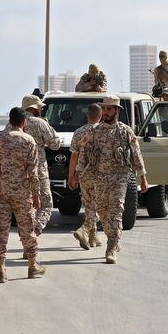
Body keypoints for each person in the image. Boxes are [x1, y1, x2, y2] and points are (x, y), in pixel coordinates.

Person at [0, 107, 45, 283]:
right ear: (24, 122)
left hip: (2, 189)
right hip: (21, 191)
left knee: (1, 229)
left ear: (10, 120)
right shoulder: (29, 141)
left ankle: (1, 270)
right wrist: (36, 195)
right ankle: (32, 266)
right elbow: (33, 173)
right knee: (27, 228)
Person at [76, 96, 149, 264]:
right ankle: (115, 239)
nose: (106, 112)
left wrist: (143, 178)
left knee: (116, 212)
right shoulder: (94, 131)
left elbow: (137, 156)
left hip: (119, 177)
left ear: (117, 110)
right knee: (103, 213)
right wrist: (77, 174)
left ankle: (110, 249)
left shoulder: (125, 131)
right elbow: (84, 155)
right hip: (99, 177)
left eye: (110, 109)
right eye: (105, 109)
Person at [13, 94, 61, 236]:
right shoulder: (39, 123)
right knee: (46, 205)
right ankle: (35, 231)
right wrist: (47, 125)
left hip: (18, 173)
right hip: (38, 171)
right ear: (34, 109)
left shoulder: (12, 123)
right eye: (39, 108)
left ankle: (27, 240)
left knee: (26, 208)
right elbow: (55, 145)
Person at [68, 103, 103, 250]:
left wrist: (71, 177)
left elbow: (74, 157)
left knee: (89, 205)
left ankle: (93, 237)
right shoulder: (103, 132)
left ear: (87, 116)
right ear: (100, 116)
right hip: (101, 174)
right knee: (101, 207)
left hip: (83, 174)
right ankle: (85, 230)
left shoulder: (78, 132)